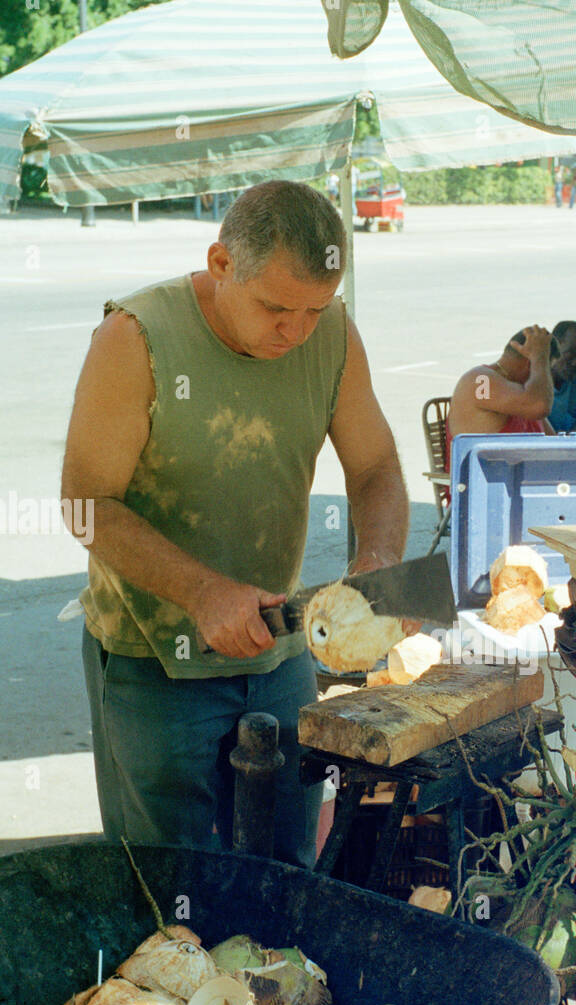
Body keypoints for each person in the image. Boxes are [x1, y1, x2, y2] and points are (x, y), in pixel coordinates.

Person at [61, 180, 410, 869]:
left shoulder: (333, 335)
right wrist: (200, 592)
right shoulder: (135, 339)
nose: (297, 331)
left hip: (278, 655)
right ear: (221, 264)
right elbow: (84, 503)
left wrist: (379, 560)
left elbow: (375, 467)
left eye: (316, 309)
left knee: (284, 874)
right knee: (167, 890)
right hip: (152, 662)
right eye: (276, 308)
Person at [447, 327, 557, 453]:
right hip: (482, 471)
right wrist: (539, 358)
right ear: (530, 363)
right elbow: (540, 406)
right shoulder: (480, 380)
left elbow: (553, 443)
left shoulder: (525, 394)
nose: (548, 380)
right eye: (546, 372)